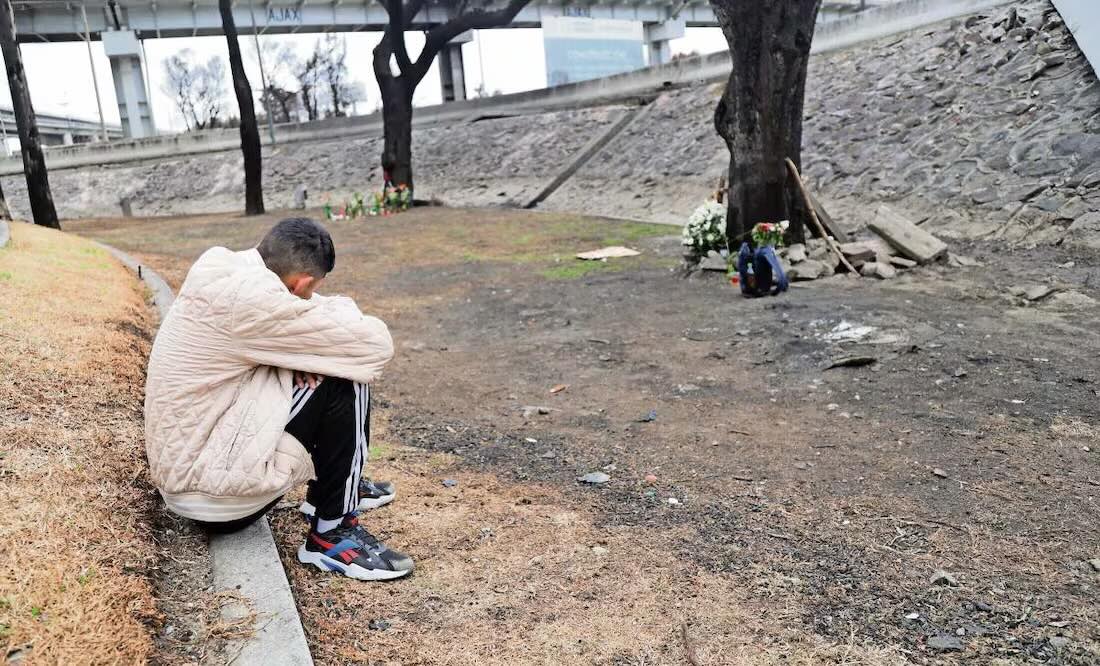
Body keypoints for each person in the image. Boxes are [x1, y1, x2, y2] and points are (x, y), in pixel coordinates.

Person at [144, 217, 413, 581]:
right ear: (301, 282)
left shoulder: (222, 265)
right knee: (343, 377)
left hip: (191, 472)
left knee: (316, 359)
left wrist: (296, 353)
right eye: (311, 290)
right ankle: (330, 533)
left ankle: (333, 486)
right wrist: (317, 337)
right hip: (215, 496)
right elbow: (375, 345)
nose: (309, 297)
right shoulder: (256, 301)